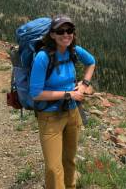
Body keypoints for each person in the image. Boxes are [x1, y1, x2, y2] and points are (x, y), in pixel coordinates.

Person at [29, 15, 95, 189]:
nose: (66, 35)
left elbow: (91, 62)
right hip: (50, 116)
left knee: (69, 159)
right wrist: (68, 94)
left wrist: (84, 84)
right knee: (53, 167)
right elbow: (36, 93)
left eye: (69, 30)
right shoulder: (43, 57)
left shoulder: (73, 50)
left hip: (72, 112)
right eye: (60, 31)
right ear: (52, 34)